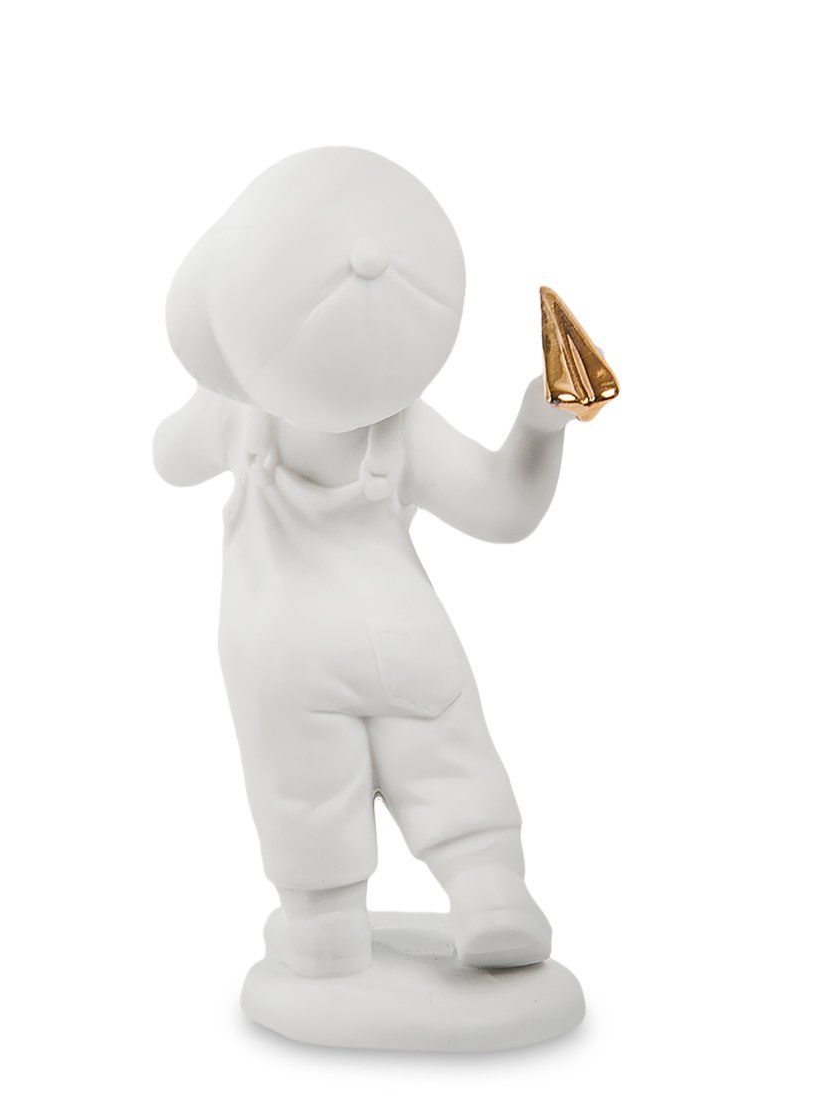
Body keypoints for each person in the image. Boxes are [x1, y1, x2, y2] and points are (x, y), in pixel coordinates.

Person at [154, 147, 575, 978]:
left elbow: (166, 458)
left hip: (279, 651)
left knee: (303, 792)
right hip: (402, 637)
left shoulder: (232, 415)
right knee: (448, 760)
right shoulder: (405, 426)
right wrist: (541, 426)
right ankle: (490, 892)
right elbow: (504, 509)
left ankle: (325, 933)